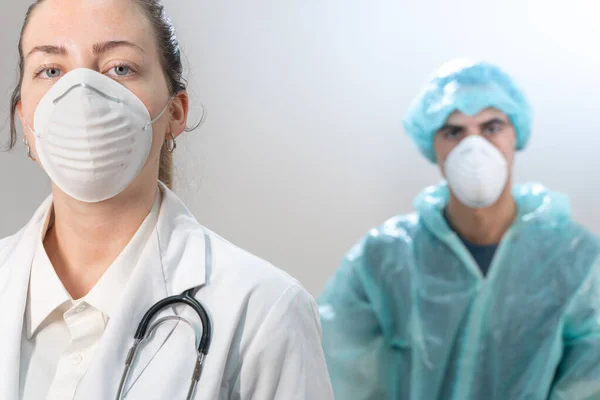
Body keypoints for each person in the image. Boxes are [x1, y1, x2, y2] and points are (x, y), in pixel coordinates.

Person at [0, 1, 334, 399]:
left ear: (175, 112)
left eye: (119, 68)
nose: (83, 94)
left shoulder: (262, 310)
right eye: (51, 70)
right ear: (25, 122)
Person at [318, 59, 600, 399]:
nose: (474, 149)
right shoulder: (384, 258)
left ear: (516, 135)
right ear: (432, 145)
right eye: (453, 132)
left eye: (491, 127)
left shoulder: (578, 260)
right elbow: (340, 370)